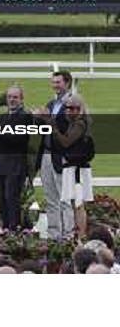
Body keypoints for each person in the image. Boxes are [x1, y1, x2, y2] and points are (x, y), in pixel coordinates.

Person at [34, 70, 75, 240]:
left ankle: (68, 235)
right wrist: (37, 118)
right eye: (53, 82)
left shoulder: (73, 104)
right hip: (46, 154)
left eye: (58, 82)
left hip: (62, 155)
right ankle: (53, 235)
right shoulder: (51, 104)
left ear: (67, 83)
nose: (55, 85)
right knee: (51, 198)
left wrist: (47, 118)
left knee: (65, 198)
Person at [0, 85, 32, 231]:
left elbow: (19, 140)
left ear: (21, 99)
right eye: (9, 97)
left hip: (15, 165)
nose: (12, 100)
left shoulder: (25, 117)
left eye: (15, 97)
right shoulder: (3, 117)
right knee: (2, 200)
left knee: (11, 199)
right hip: (0, 165)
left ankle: (14, 229)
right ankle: (6, 228)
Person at [50, 94, 93, 238]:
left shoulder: (80, 123)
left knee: (78, 204)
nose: (69, 111)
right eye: (67, 108)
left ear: (80, 109)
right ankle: (78, 234)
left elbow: (66, 142)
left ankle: (81, 235)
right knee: (75, 202)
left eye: (72, 108)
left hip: (77, 169)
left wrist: (53, 127)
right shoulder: (76, 123)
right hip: (73, 167)